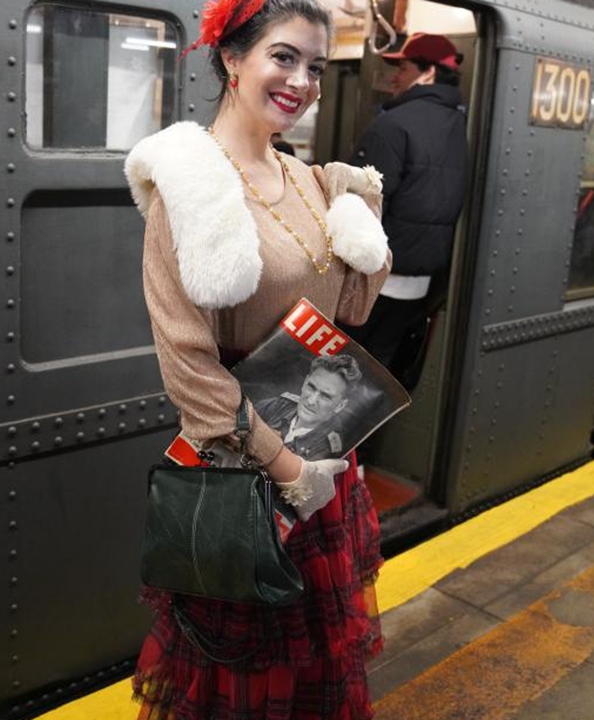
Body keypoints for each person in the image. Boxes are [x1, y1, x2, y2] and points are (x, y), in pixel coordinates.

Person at [125, 0, 392, 716]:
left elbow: (352, 314)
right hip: (251, 468)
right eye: (284, 56)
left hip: (323, 460)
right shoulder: (190, 188)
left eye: (317, 67)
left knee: (311, 673)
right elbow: (188, 366)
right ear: (232, 58)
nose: (302, 81)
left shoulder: (309, 181)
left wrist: (362, 219)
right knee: (243, 681)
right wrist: (288, 469)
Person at [345, 32, 467, 381]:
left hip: (377, 278)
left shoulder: (394, 124)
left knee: (340, 371)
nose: (394, 76)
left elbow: (362, 204)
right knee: (376, 372)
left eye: (404, 67)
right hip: (420, 284)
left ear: (427, 73)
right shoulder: (459, 123)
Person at [255, 353, 361, 460]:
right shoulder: (282, 405)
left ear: (340, 405)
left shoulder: (330, 449)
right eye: (311, 387)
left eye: (325, 396)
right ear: (305, 382)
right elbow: (243, 413)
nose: (311, 401)